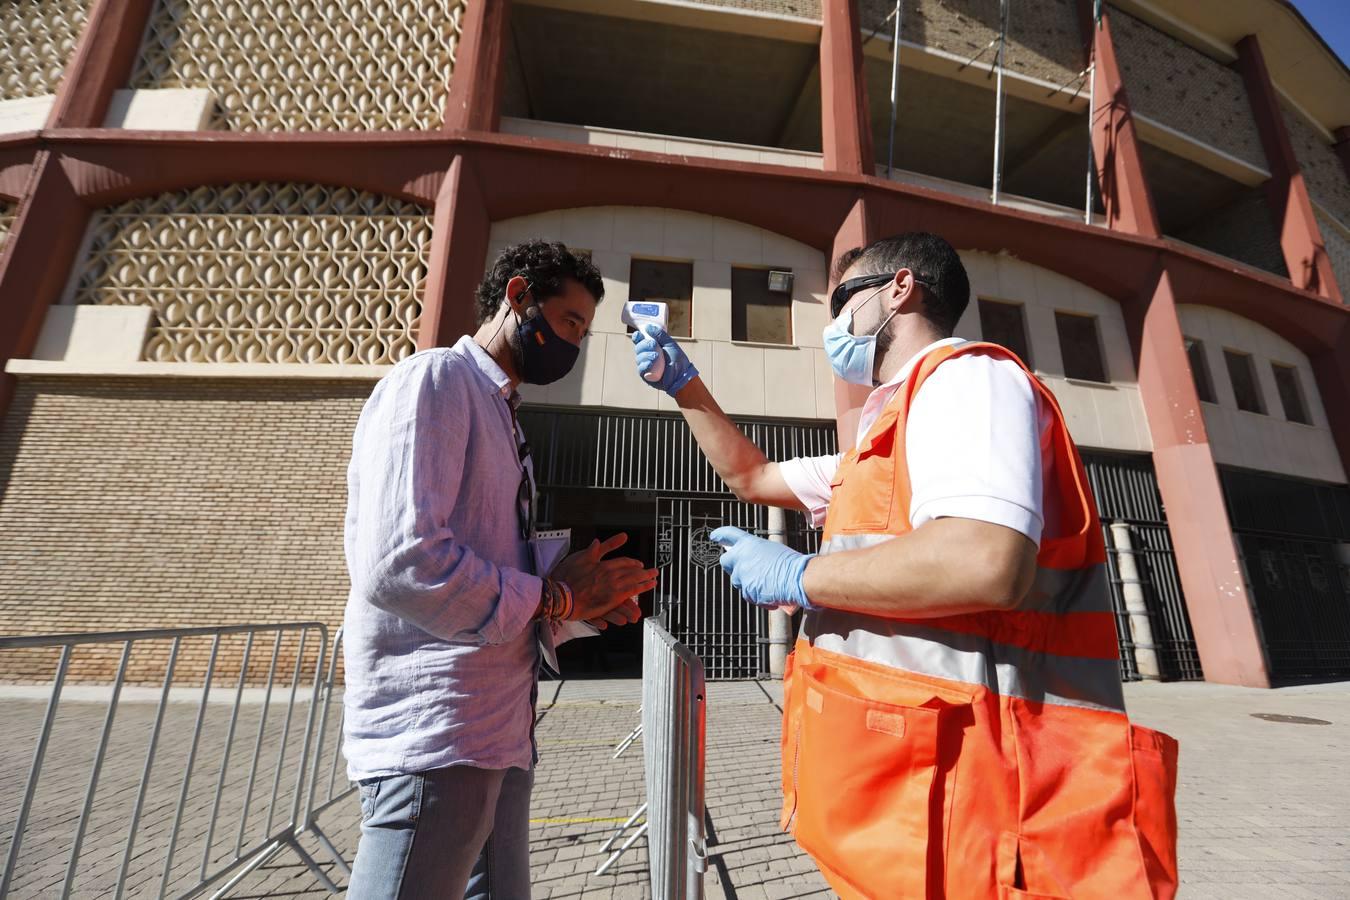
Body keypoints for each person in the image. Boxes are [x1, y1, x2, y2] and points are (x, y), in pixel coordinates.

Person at [630, 232, 1179, 899]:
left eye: (841, 303)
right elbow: (753, 476)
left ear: (899, 289)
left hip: (979, 809)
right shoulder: (881, 433)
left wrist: (798, 577)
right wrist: (683, 385)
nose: (834, 327)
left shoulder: (970, 380)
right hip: (909, 806)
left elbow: (986, 560)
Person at [343, 239, 656, 899]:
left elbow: (496, 564)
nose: (575, 343)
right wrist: (555, 600)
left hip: (499, 730)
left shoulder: (503, 417)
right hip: (437, 735)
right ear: (519, 298)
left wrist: (575, 593)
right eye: (569, 322)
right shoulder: (435, 382)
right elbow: (402, 562)